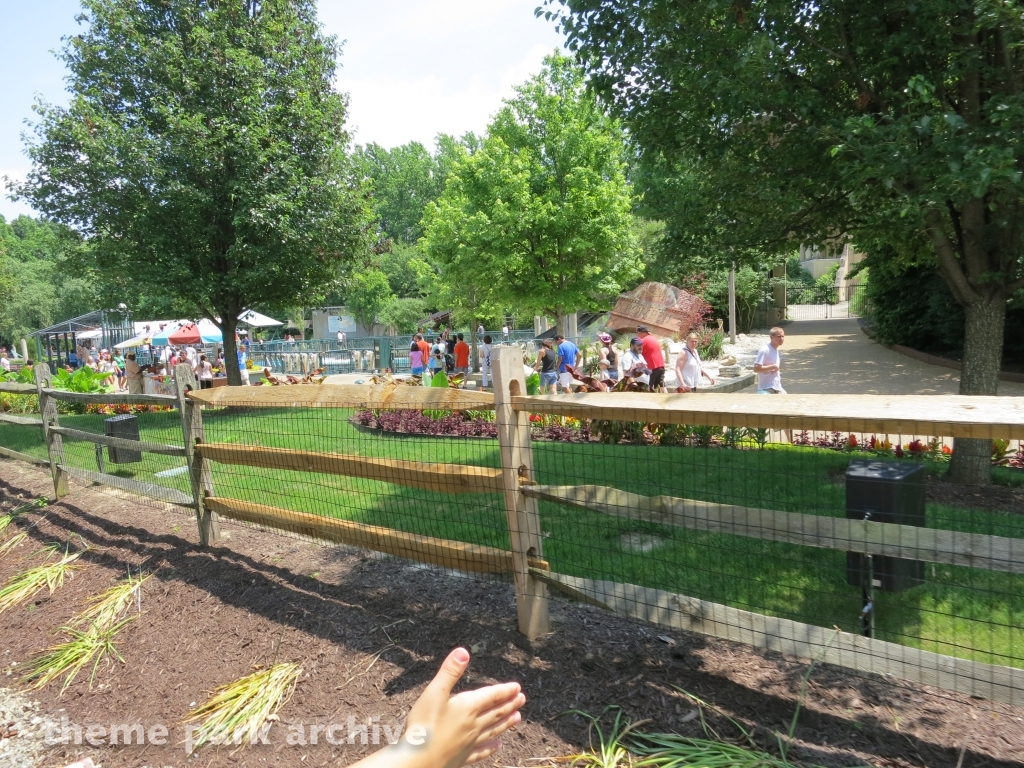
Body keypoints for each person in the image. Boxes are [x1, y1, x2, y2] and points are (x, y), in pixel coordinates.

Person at [754, 326, 786, 394]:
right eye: (779, 336)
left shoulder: (775, 351)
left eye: (783, 336)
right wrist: (773, 367)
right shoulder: (765, 350)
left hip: (777, 388)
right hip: (766, 389)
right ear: (771, 337)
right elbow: (756, 368)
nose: (781, 339)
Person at [636, 326, 666, 392]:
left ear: (641, 333)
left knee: (648, 386)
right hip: (660, 365)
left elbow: (637, 354)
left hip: (652, 366)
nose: (637, 335)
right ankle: (666, 396)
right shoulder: (653, 338)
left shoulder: (643, 341)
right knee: (662, 385)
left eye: (637, 333)